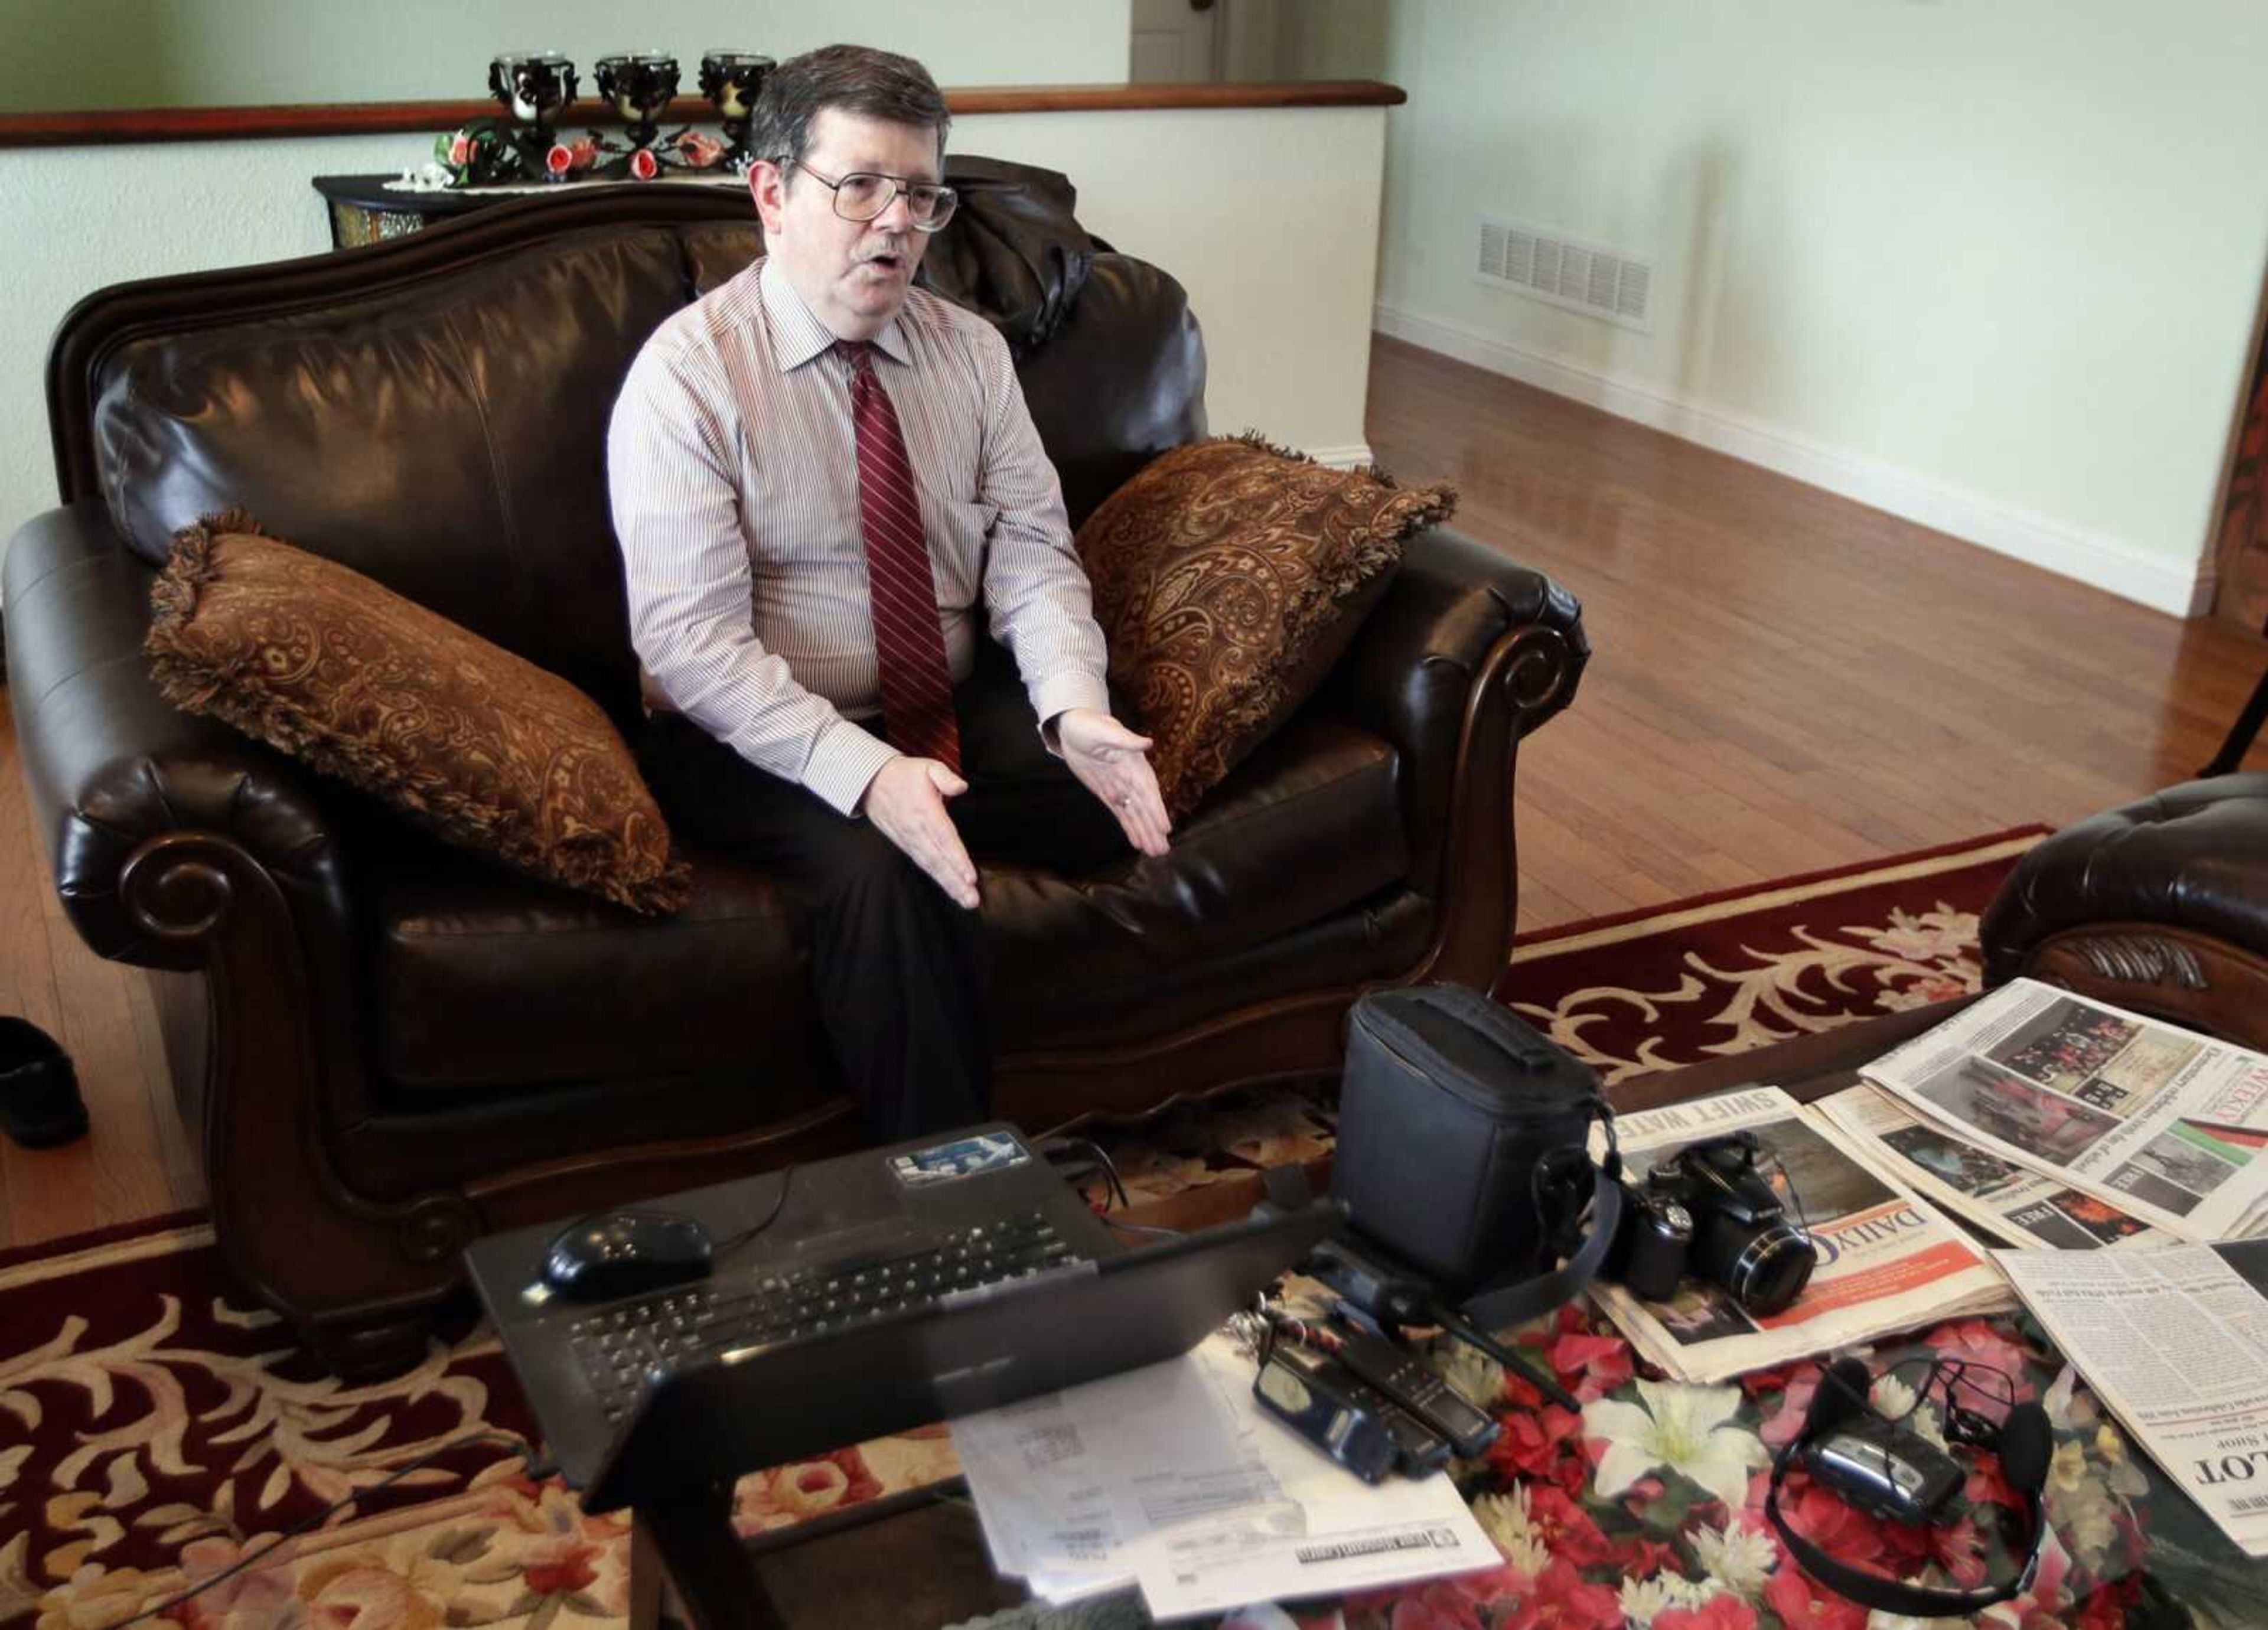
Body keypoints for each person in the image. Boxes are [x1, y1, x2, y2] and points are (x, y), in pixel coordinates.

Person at [607, 44, 1170, 1142]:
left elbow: (1032, 551)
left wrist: (1072, 706)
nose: (896, 223)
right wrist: (866, 779)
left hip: (946, 700)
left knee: (1119, 794)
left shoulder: (970, 353)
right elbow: (688, 645)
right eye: (859, 186)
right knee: (891, 873)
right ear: (771, 193)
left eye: (920, 194)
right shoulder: (688, 377)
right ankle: (959, 1212)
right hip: (751, 734)